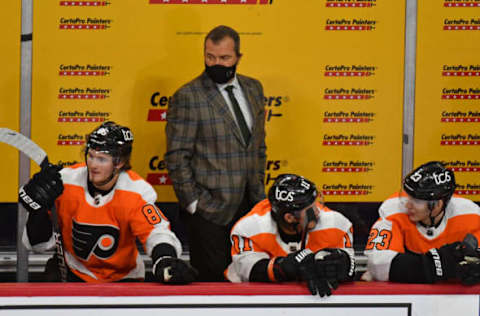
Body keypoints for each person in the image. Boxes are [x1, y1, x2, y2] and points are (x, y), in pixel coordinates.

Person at [19, 121, 197, 283]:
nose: (93, 165)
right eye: (91, 155)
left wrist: (164, 260)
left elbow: (156, 233)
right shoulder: (66, 181)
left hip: (124, 279)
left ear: (119, 162)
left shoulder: (136, 191)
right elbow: (38, 245)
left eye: (102, 159)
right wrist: (37, 210)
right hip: (74, 272)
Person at [165, 25, 267, 281]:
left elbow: (258, 145)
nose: (216, 63)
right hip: (209, 214)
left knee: (251, 282)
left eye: (224, 58)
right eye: (210, 57)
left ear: (238, 58)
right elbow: (177, 156)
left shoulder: (254, 89)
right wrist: (194, 204)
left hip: (252, 207)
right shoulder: (188, 96)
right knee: (213, 286)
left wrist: (259, 196)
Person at [225, 174, 355, 297]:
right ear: (289, 217)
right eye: (310, 209)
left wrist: (341, 264)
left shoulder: (336, 223)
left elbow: (350, 264)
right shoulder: (249, 228)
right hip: (253, 298)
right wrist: (286, 267)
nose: (317, 211)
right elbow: (250, 272)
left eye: (315, 203)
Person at [363, 161, 480, 284]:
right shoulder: (392, 210)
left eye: (416, 201)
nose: (407, 205)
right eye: (407, 196)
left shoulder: (470, 214)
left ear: (437, 205)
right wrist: (436, 265)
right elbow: (377, 265)